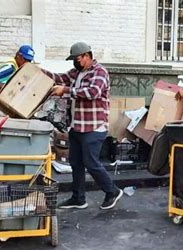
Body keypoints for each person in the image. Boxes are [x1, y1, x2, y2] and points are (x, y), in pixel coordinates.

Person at [42, 42, 123, 210]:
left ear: (87, 56)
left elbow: (92, 93)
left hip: (93, 127)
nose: (75, 62)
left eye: (77, 59)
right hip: (77, 126)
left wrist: (65, 90)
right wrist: (38, 71)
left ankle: (112, 191)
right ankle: (78, 198)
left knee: (91, 162)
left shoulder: (99, 72)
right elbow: (59, 78)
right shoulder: (77, 73)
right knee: (76, 163)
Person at [0, 45, 35, 118]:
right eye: (25, 59)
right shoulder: (10, 67)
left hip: (2, 103)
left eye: (29, 61)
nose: (27, 63)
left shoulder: (19, 67)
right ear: (18, 55)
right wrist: (8, 91)